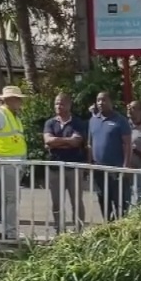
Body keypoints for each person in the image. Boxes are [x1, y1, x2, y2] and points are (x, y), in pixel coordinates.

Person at [0, 85, 27, 239]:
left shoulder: (12, 115)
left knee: (11, 198)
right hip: (6, 162)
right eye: (17, 100)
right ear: (9, 100)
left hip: (13, 163)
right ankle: (10, 232)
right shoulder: (1, 114)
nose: (20, 103)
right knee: (11, 198)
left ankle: (9, 230)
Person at [43, 92, 88, 231]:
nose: (58, 106)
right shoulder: (50, 123)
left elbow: (76, 142)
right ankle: (59, 230)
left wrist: (56, 142)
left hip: (73, 168)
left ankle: (78, 230)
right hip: (55, 168)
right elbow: (48, 140)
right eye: (56, 103)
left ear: (69, 105)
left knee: (76, 201)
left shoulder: (78, 123)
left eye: (61, 103)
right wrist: (64, 142)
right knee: (56, 202)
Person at [87, 91, 132, 220]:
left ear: (111, 102)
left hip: (116, 170)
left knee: (119, 202)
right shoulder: (93, 120)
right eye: (98, 100)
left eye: (104, 100)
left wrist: (126, 166)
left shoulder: (120, 121)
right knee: (103, 199)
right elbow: (89, 144)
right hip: (99, 170)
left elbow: (127, 144)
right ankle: (108, 226)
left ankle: (121, 228)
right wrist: (90, 165)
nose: (101, 103)